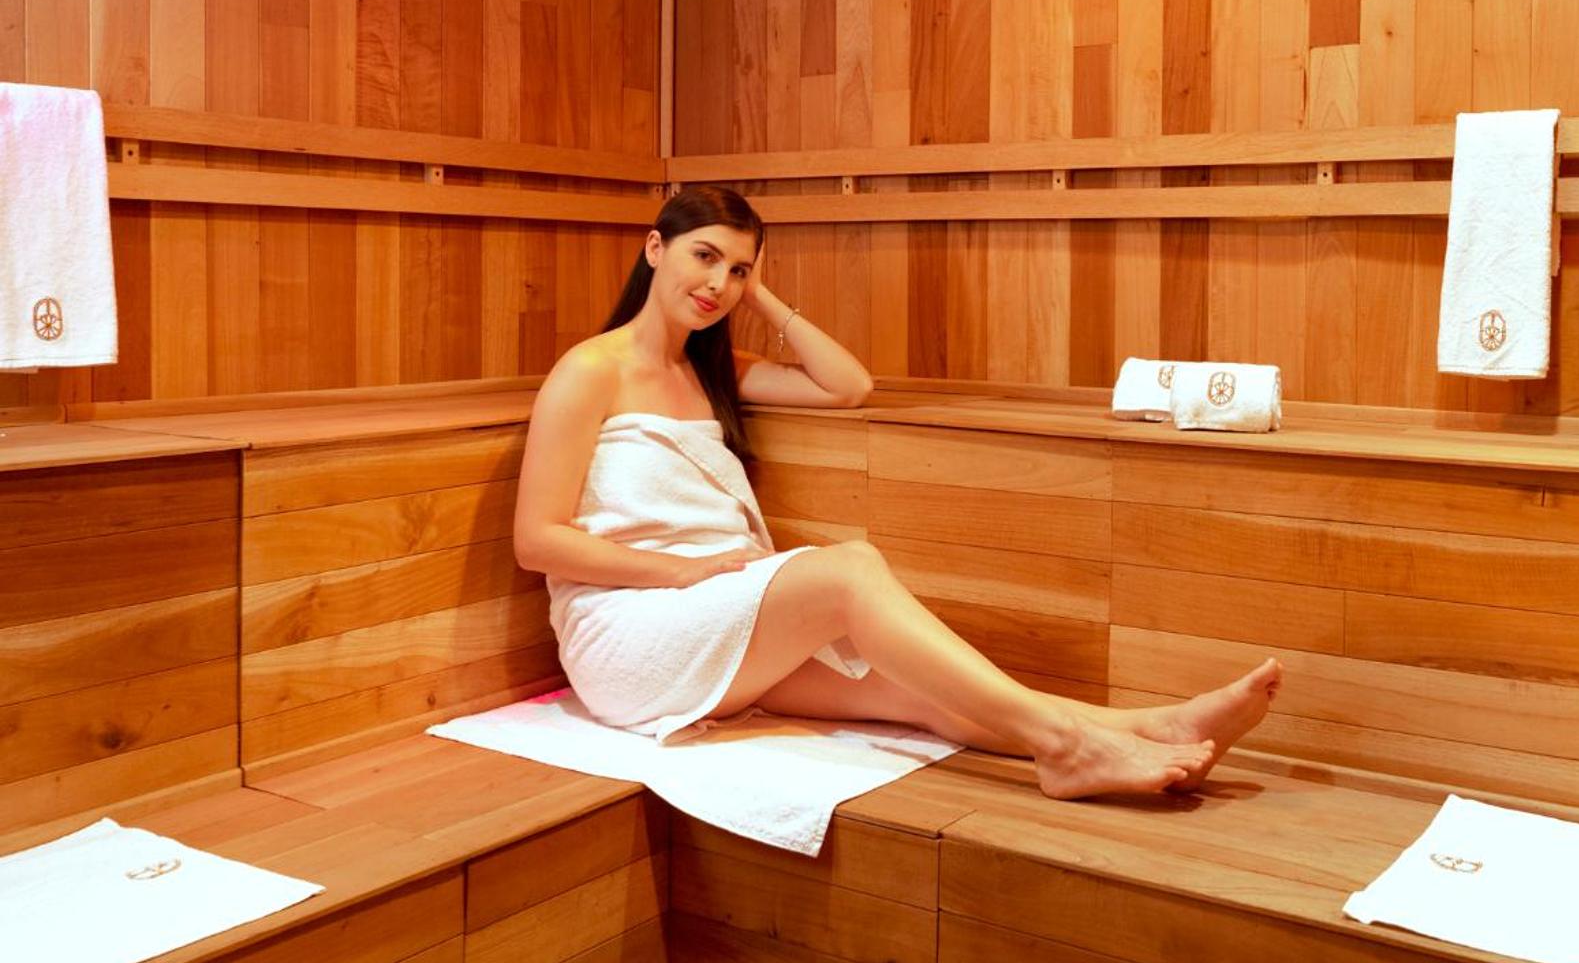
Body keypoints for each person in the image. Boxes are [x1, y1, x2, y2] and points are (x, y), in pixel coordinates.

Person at [513, 185, 1282, 798]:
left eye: (738, 270)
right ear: (655, 248)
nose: (718, 283)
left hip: (712, 613)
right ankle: (1066, 747)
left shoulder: (714, 370)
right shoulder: (591, 371)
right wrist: (681, 571)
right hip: (631, 635)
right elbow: (537, 540)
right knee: (850, 570)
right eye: (704, 256)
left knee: (918, 692)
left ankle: (1156, 726)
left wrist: (763, 299)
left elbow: (847, 384)